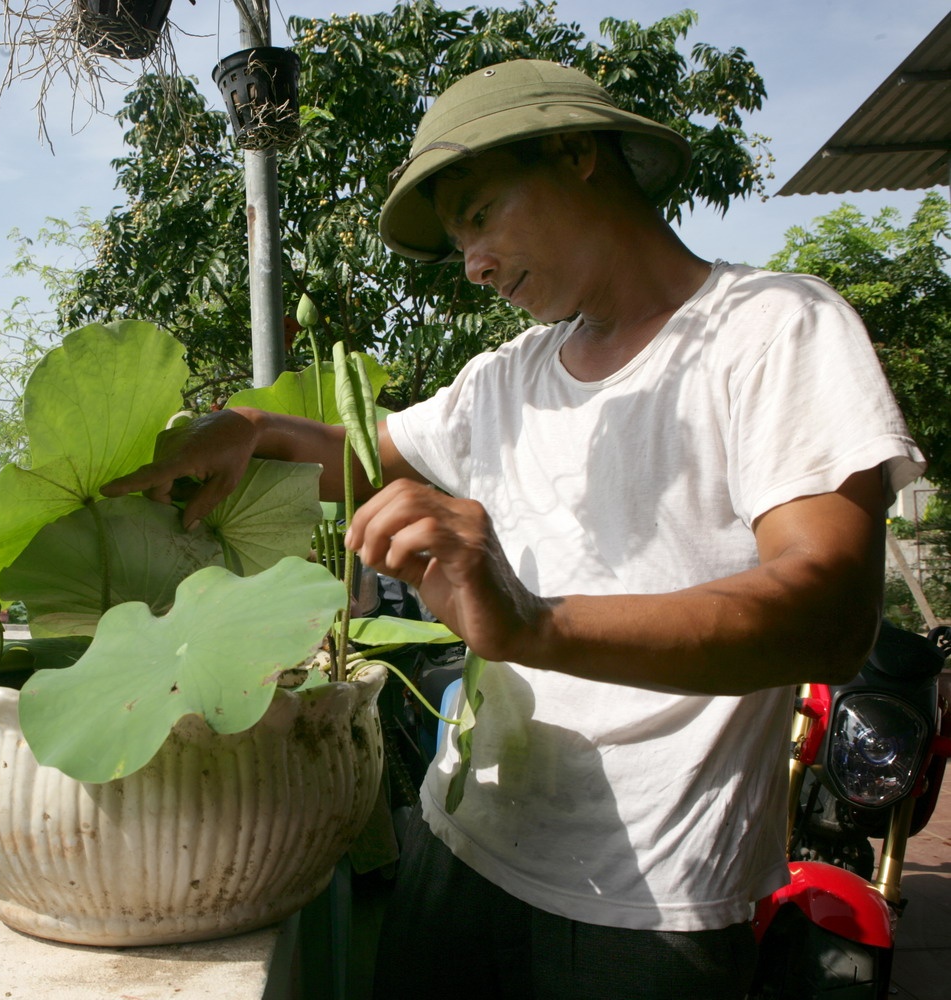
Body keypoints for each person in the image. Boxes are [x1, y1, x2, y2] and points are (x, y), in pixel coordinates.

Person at [102, 59, 926, 998]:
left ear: (578, 154)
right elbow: (363, 455)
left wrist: (533, 623)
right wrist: (250, 430)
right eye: (458, 242)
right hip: (461, 845)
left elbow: (827, 613)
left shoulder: (771, 330)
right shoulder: (509, 377)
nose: (475, 264)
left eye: (481, 216)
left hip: (644, 901)